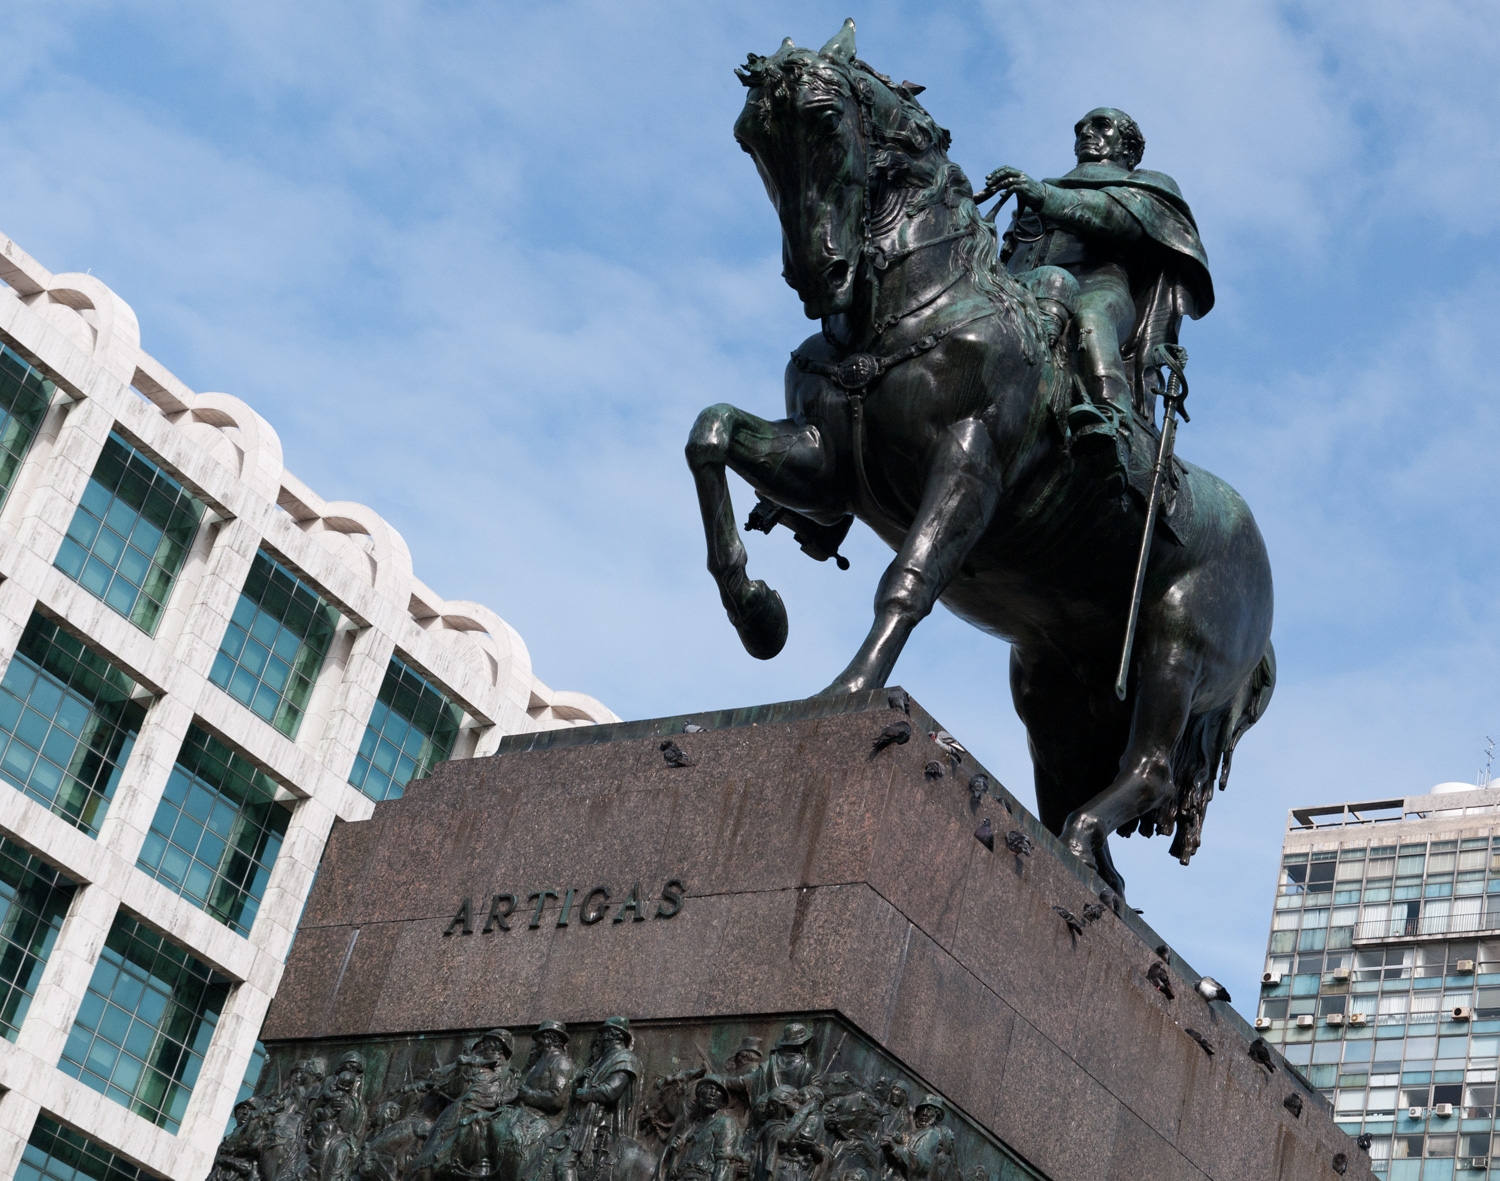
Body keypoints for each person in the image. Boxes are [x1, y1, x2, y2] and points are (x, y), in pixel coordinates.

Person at [985, 108, 1212, 454]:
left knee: (1091, 319)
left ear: (1129, 147)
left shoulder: (1147, 185)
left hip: (1098, 286)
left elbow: (1115, 217)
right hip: (1032, 287)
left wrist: (1044, 197)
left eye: (1101, 125)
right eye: (1080, 128)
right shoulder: (1040, 191)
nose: (1086, 132)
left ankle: (1113, 421)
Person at [657, 1076, 749, 1181]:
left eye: (718, 1091)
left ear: (722, 1101)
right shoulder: (691, 1128)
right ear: (699, 1095)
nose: (713, 1093)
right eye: (709, 1088)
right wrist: (675, 1152)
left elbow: (723, 1164)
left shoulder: (725, 1123)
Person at [879, 1097, 954, 1181]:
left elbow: (921, 1163)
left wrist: (895, 1147)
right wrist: (899, 1141)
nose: (924, 1113)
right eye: (922, 1109)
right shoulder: (919, 1131)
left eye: (929, 1110)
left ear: (936, 1114)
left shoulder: (932, 1134)